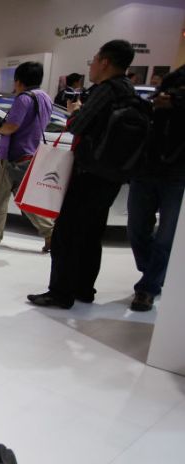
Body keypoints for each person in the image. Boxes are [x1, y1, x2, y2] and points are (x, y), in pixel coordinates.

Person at [28, 40, 139, 309]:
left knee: (66, 233)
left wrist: (74, 111)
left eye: (95, 59)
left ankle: (60, 293)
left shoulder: (105, 91)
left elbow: (78, 125)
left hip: (89, 172)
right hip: (111, 175)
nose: (91, 65)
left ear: (105, 62)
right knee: (91, 234)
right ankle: (84, 289)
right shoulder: (128, 90)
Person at [0, 62, 55, 251]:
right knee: (25, 198)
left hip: (12, 157)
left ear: (19, 80)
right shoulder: (45, 98)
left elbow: (11, 127)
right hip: (31, 153)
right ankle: (51, 235)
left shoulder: (23, 99)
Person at [126, 64, 185, 311]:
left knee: (166, 237)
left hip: (178, 176)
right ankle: (154, 272)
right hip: (146, 171)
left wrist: (177, 103)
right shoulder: (159, 101)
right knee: (136, 229)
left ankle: (148, 288)